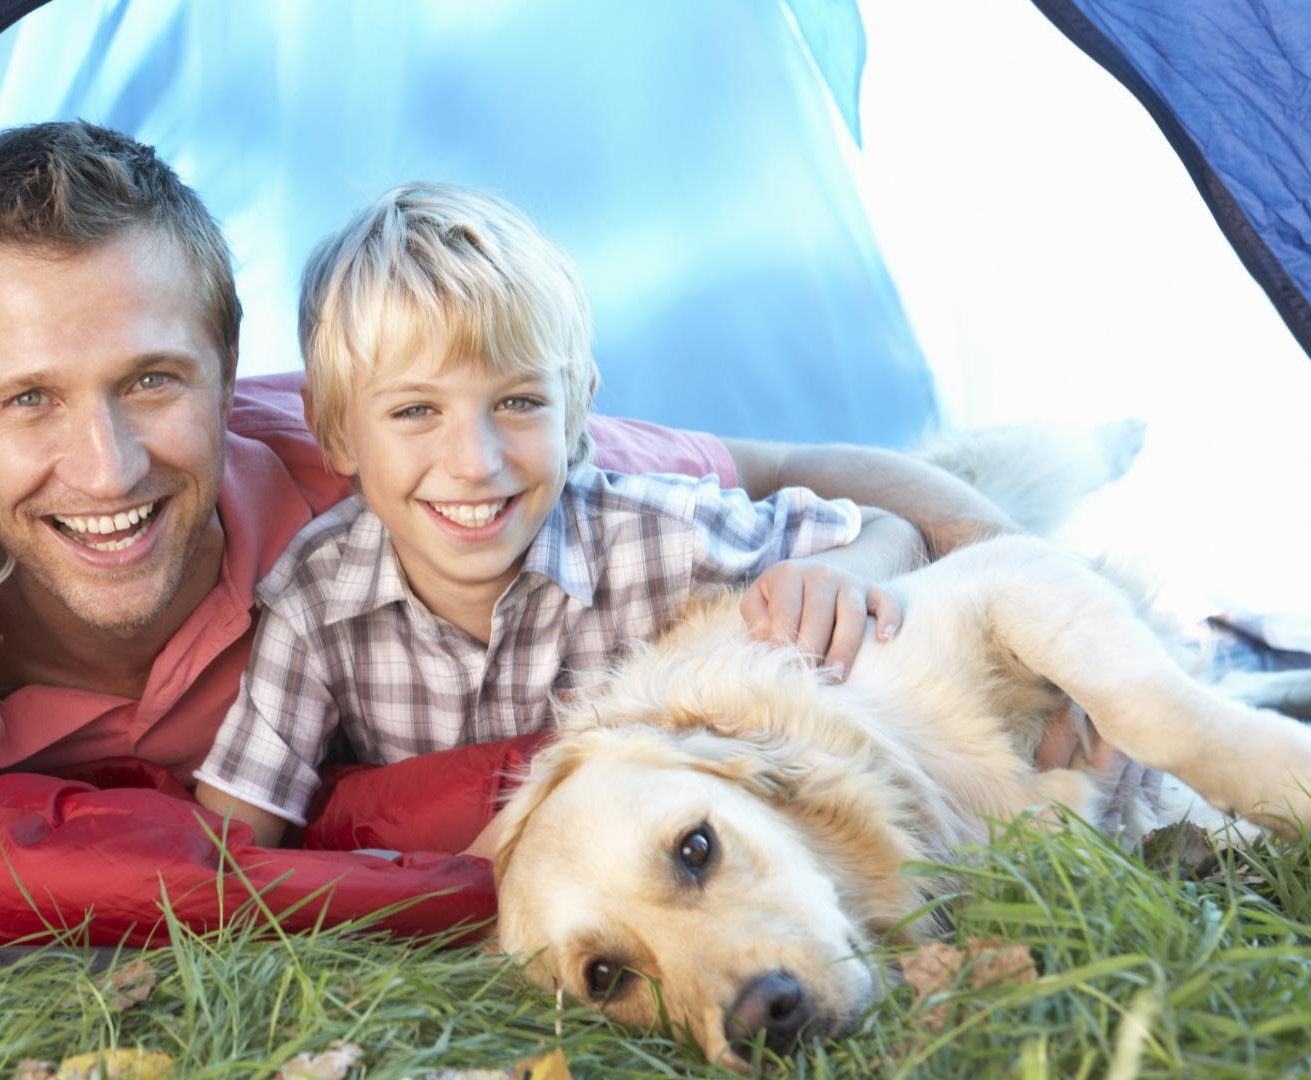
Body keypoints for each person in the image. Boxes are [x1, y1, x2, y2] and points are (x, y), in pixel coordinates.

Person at [0, 122, 1017, 794]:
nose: (105, 467)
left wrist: (980, 582)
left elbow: (790, 466)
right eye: (29, 400)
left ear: (229, 367)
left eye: (151, 381)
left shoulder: (403, 460)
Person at [190, 182, 924, 844]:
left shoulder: (653, 537)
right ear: (338, 433)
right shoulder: (316, 600)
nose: (474, 461)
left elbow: (890, 530)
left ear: (576, 412)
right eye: (416, 410)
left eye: (518, 403)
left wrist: (845, 571)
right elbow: (232, 836)